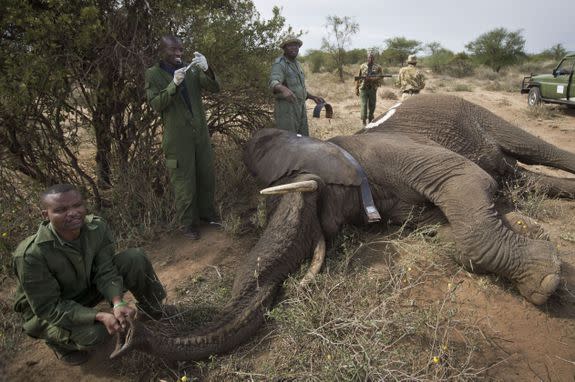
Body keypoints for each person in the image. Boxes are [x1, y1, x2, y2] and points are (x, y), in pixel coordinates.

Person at [12, 184, 170, 366]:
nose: (72, 213)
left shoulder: (96, 227)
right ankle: (58, 343)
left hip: (84, 289)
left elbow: (106, 270)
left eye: (77, 205)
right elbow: (48, 308)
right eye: (61, 210)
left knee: (134, 258)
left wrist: (118, 302)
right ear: (45, 215)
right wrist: (100, 315)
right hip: (48, 312)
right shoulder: (31, 255)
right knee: (97, 334)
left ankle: (152, 309)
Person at [145, 36, 220, 240]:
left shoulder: (191, 69)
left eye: (180, 50)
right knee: (184, 181)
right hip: (177, 138)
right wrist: (173, 85)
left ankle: (207, 216)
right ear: (162, 50)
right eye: (173, 50)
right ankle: (187, 225)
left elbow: (215, 87)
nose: (178, 53)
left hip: (200, 134)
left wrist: (207, 69)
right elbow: (157, 104)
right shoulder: (153, 74)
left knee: (206, 175)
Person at [269, 35, 325, 137]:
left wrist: (312, 97)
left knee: (303, 139)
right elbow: (273, 82)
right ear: (284, 48)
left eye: (296, 45)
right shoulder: (280, 64)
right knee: (288, 141)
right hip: (286, 110)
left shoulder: (297, 64)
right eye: (290, 45)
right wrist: (283, 89)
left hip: (300, 108)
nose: (294, 48)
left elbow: (297, 88)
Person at [355, 50, 384, 125]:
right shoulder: (362, 66)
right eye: (369, 57)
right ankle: (364, 120)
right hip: (363, 88)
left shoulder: (378, 67)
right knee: (363, 105)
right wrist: (356, 88)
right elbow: (358, 78)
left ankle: (370, 119)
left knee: (372, 105)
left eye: (371, 57)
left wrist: (373, 79)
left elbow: (381, 77)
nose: (370, 59)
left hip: (372, 88)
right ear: (367, 58)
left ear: (374, 58)